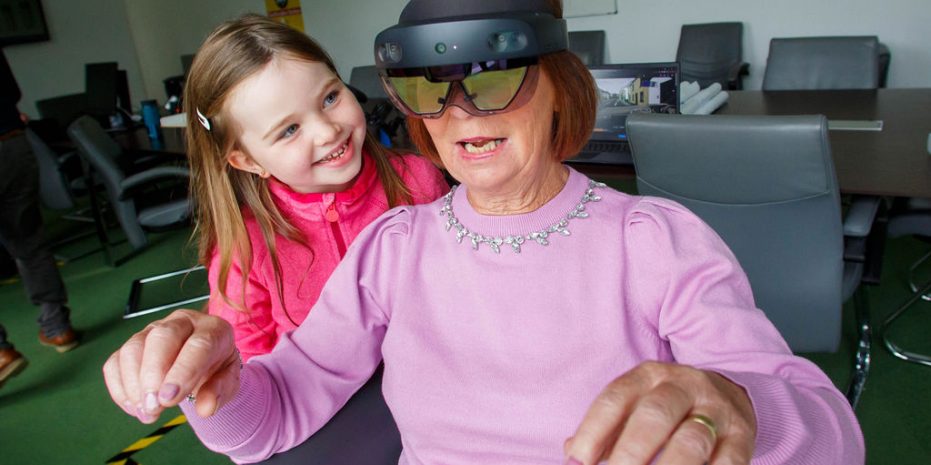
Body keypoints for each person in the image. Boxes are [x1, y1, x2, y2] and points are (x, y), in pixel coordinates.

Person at [102, 2, 865, 464]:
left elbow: (833, 435)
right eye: (431, 84)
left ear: (558, 85)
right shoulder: (392, 248)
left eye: (495, 75)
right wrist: (224, 387)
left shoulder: (654, 240)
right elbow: (278, 412)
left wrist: (734, 401)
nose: (463, 111)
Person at [183, 15, 449, 362]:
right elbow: (246, 355)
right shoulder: (245, 243)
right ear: (248, 161)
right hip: (322, 408)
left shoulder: (419, 181)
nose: (327, 132)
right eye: (289, 130)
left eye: (330, 98)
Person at [0, 49, 79, 388]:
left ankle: (1, 352)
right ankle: (57, 327)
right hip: (11, 143)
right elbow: (11, 91)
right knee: (29, 242)